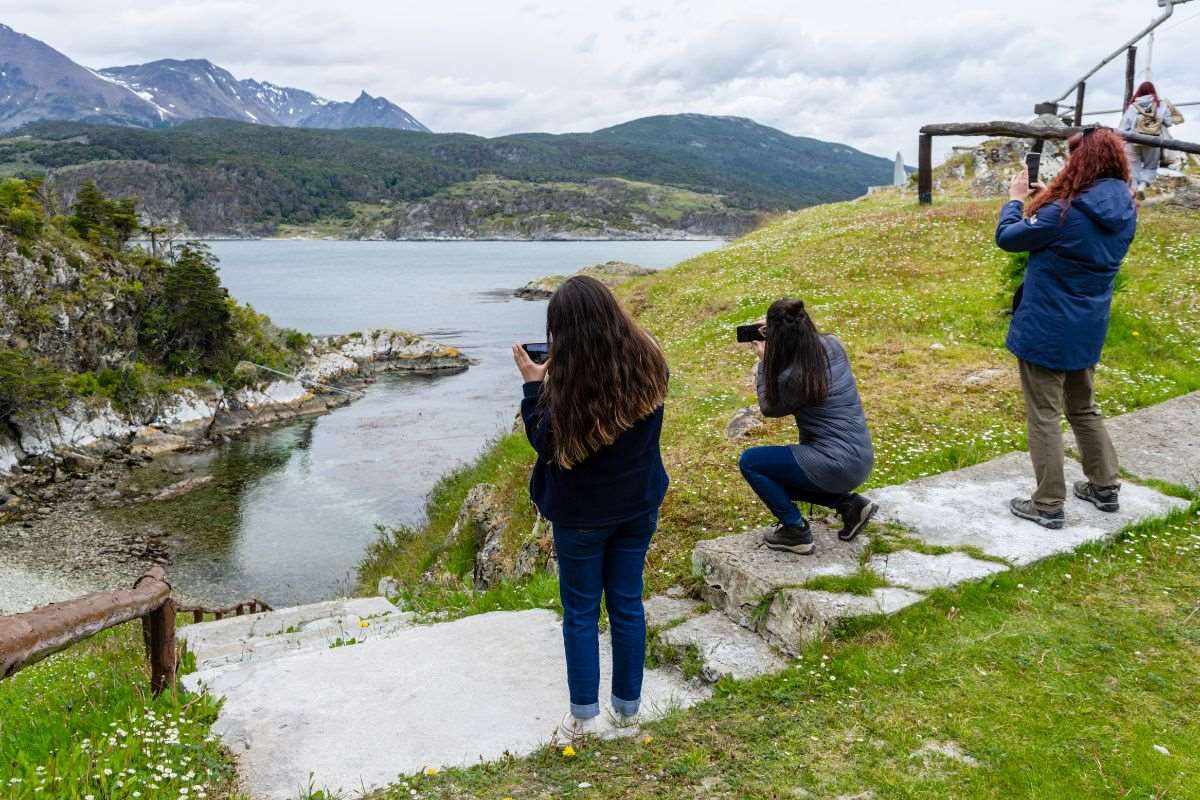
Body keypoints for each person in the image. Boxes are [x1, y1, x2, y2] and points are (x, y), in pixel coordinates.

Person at [512, 275, 669, 741]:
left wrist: (532, 386)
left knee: (581, 612)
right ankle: (628, 709)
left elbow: (545, 443)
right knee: (627, 603)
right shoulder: (650, 360)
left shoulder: (566, 386)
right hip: (638, 504)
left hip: (581, 517)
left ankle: (584, 716)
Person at [997, 126, 1136, 529]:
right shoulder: (1126, 208)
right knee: (1084, 407)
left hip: (1046, 325)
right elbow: (1075, 227)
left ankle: (1048, 503)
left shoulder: (1061, 212)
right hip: (1089, 325)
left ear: (1083, 162)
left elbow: (1008, 238)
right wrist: (1047, 199)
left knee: (1044, 415)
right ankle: (1105, 486)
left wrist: (1017, 200)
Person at [737, 299, 876, 554]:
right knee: (775, 477)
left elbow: (769, 408)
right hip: (860, 455)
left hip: (835, 464)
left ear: (779, 336)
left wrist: (764, 361)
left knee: (752, 462)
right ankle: (849, 505)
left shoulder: (794, 376)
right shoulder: (832, 343)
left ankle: (795, 532)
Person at [1119, 80, 1185, 193]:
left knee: (1133, 168)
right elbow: (1168, 123)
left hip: (1132, 140)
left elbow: (1123, 127)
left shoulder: (1132, 106)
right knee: (1150, 167)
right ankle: (1142, 186)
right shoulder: (1160, 104)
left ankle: (1132, 192)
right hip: (1152, 140)